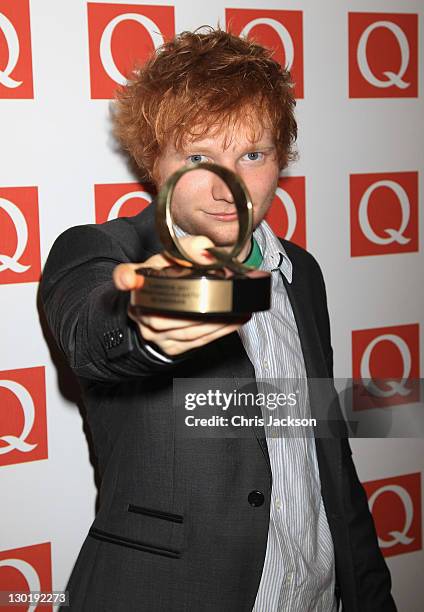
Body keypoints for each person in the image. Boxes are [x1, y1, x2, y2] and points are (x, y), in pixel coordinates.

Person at [41, 28, 396, 612]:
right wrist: (154, 318)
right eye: (199, 156)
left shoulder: (300, 272)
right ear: (154, 161)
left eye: (251, 155)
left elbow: (326, 454)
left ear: (280, 159)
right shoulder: (101, 251)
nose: (228, 186)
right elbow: (93, 333)